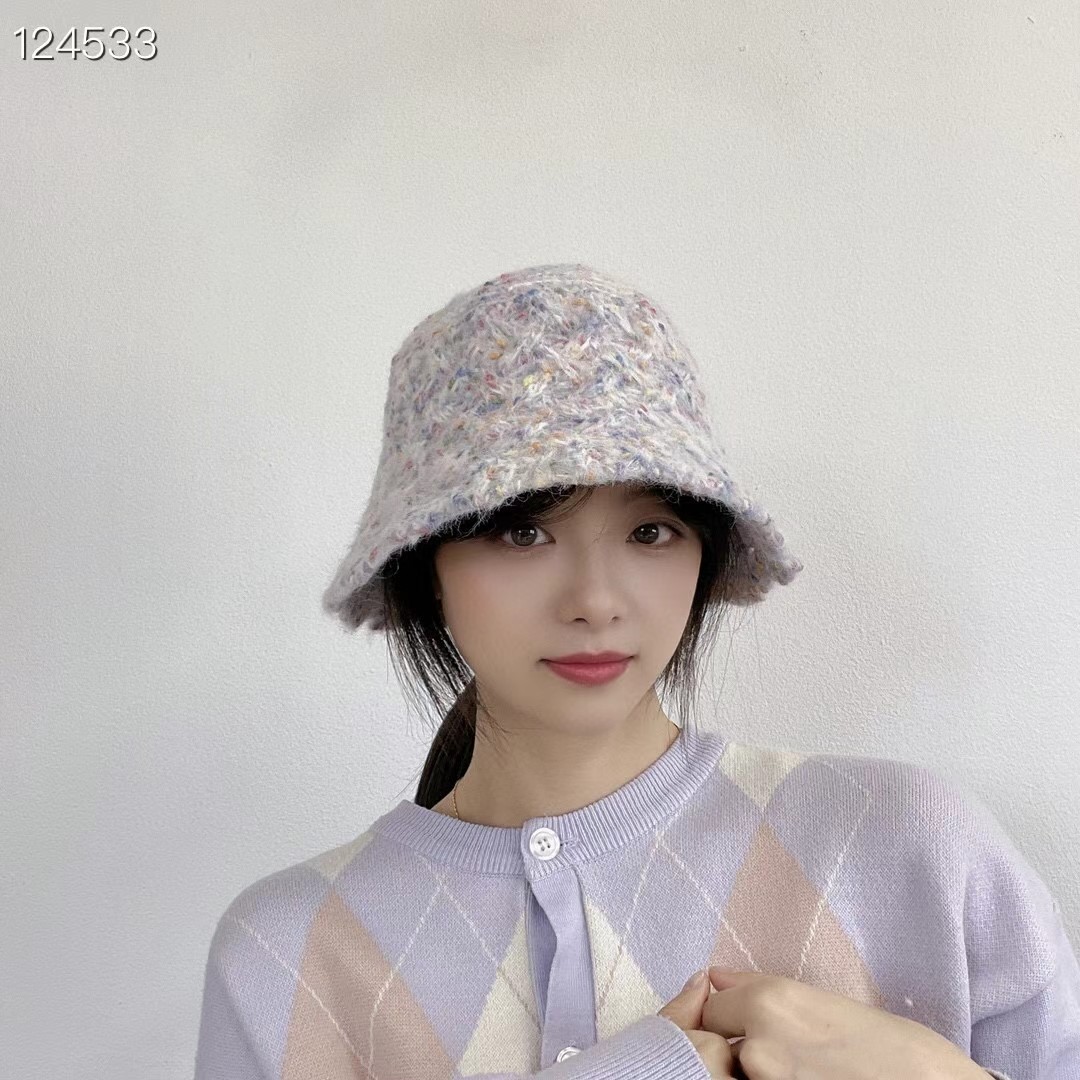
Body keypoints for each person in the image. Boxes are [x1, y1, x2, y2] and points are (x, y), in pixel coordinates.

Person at [193, 263, 1080, 1079]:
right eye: (523, 531)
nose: (595, 600)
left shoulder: (909, 844)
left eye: (650, 531)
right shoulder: (287, 956)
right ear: (425, 564)